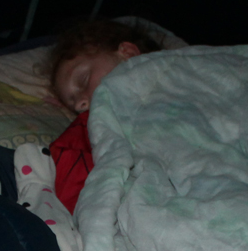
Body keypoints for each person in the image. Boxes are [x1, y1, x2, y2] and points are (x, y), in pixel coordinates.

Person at [43, 18, 161, 213]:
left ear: (128, 53)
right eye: (73, 104)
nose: (80, 104)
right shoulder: (94, 124)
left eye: (84, 80)